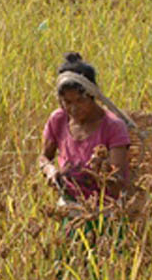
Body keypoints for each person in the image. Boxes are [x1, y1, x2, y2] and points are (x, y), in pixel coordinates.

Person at [38, 54, 134, 240]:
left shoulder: (113, 126)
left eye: (80, 101)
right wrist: (49, 170)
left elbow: (118, 183)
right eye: (67, 102)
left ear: (93, 97)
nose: (73, 109)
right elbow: (44, 157)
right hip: (70, 208)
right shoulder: (58, 119)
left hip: (104, 212)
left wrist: (99, 170)